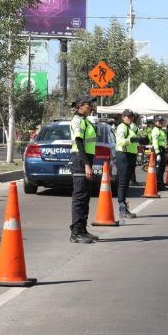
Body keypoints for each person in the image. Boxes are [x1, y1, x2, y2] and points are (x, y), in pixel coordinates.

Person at [69, 96, 98, 244]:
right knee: (79, 197)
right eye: (89, 104)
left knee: (85, 196)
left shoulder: (86, 120)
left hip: (86, 160)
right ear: (81, 106)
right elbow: (79, 143)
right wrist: (86, 165)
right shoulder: (77, 120)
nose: (91, 107)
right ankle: (75, 232)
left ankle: (82, 229)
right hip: (80, 161)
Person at [115, 109, 138, 219]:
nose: (130, 118)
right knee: (123, 182)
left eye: (132, 116)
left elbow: (135, 140)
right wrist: (132, 140)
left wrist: (141, 140)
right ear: (123, 117)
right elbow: (119, 141)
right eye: (128, 116)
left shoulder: (132, 127)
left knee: (126, 182)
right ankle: (122, 208)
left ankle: (124, 207)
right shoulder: (121, 127)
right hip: (123, 155)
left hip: (131, 155)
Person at [152, 117, 168, 191]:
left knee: (162, 168)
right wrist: (158, 153)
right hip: (158, 150)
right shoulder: (155, 130)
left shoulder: (161, 130)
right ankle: (158, 185)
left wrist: (165, 150)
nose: (161, 123)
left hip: (162, 150)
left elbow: (164, 141)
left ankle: (161, 184)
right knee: (158, 169)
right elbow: (155, 142)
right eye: (159, 121)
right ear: (155, 122)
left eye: (161, 121)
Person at [129, 113, 142, 186]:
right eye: (138, 118)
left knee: (132, 166)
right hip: (132, 148)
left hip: (134, 148)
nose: (139, 120)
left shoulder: (134, 126)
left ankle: (133, 180)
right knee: (132, 166)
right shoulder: (133, 126)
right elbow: (132, 138)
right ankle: (132, 180)